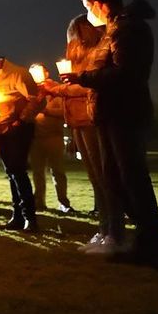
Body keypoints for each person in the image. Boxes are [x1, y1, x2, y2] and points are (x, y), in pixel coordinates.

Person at [61, 0, 158, 264]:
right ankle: (144, 239)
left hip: (125, 114)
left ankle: (149, 243)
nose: (87, 14)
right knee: (116, 178)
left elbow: (125, 74)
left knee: (131, 179)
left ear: (101, 4)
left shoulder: (127, 29)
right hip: (110, 113)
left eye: (88, 7)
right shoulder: (116, 29)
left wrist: (83, 78)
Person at [43, 14, 109, 250]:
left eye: (75, 36)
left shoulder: (98, 53)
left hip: (91, 119)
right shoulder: (78, 58)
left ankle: (111, 230)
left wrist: (59, 89)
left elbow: (86, 87)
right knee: (95, 177)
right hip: (77, 121)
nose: (72, 42)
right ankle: (105, 229)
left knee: (103, 177)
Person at [0, 46, 42, 232]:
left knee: (18, 170)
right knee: (11, 172)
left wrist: (20, 119)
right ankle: (17, 216)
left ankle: (30, 218)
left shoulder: (17, 73)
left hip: (19, 129)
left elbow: (35, 99)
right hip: (0, 129)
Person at [29, 67, 72, 214]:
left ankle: (63, 202)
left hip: (54, 136)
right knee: (38, 172)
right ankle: (39, 201)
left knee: (58, 171)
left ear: (46, 73)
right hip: (36, 138)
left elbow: (64, 112)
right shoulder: (31, 92)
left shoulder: (57, 90)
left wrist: (46, 111)